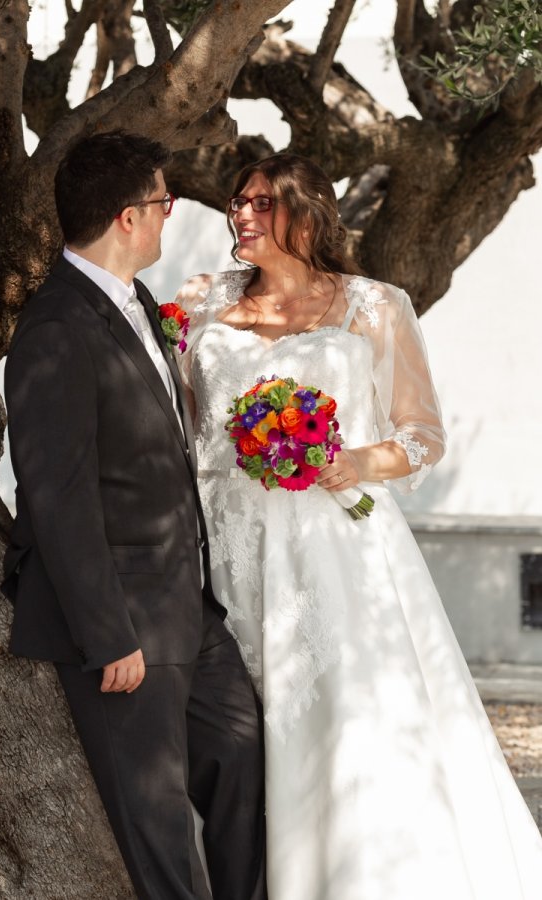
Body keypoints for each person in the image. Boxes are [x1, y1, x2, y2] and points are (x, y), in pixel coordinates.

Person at [176, 152, 542, 899]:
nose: (240, 214)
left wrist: (355, 460)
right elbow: (177, 424)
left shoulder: (375, 305)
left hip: (334, 550)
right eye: (235, 201)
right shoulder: (198, 301)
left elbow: (423, 435)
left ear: (304, 213)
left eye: (259, 201)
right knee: (230, 734)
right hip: (224, 546)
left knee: (342, 724)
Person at [2, 130, 266, 900]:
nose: (168, 216)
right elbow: (57, 493)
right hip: (122, 626)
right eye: (164, 201)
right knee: (158, 842)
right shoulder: (55, 326)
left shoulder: (137, 300)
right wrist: (107, 633)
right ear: (128, 216)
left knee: (244, 764)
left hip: (191, 610)